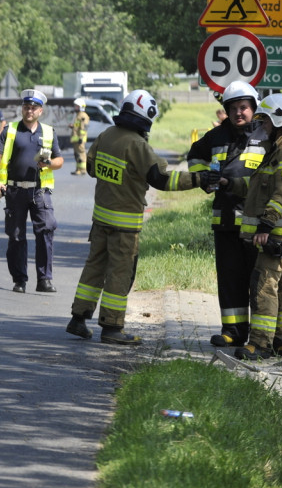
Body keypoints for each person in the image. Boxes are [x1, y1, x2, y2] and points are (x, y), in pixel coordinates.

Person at [66, 89, 200, 345]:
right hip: (124, 227)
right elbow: (162, 179)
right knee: (119, 273)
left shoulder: (106, 135)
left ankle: (78, 319)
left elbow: (92, 168)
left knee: (94, 268)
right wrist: (199, 179)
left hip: (100, 221)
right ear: (147, 116)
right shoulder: (138, 145)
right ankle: (112, 328)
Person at [187, 81, 266, 348]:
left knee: (259, 282)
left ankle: (260, 335)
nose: (238, 113)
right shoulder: (216, 136)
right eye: (232, 108)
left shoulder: (267, 135)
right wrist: (203, 177)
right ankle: (232, 331)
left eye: (243, 107)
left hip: (257, 225)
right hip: (225, 221)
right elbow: (194, 155)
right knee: (231, 279)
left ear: (254, 108)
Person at [217, 93, 282, 360]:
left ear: (280, 120)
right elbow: (258, 188)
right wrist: (231, 184)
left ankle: (260, 344)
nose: (262, 127)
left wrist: (265, 224)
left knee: (263, 284)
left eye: (266, 122)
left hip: (278, 233)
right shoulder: (278, 150)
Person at [0, 89, 63, 293]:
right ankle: (19, 280)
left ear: (40, 111)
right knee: (17, 236)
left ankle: (44, 280)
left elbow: (59, 160)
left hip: (40, 191)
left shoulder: (48, 132)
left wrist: (48, 164)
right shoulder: (10, 130)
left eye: (33, 108)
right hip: (15, 191)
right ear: (22, 108)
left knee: (45, 232)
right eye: (26, 107)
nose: (29, 111)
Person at [70, 98, 90, 175]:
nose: (75, 108)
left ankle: (83, 170)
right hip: (76, 138)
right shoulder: (78, 115)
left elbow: (83, 128)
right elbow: (78, 126)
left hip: (79, 139)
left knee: (81, 154)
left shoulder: (83, 116)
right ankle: (78, 169)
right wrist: (73, 126)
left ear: (81, 106)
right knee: (77, 154)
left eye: (77, 106)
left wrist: (81, 138)